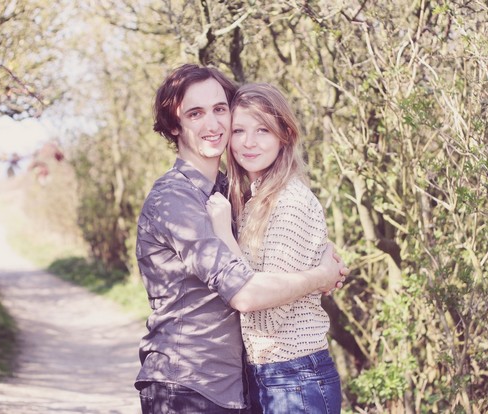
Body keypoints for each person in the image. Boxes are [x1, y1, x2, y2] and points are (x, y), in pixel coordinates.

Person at [135, 64, 347, 413]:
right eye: (195, 113)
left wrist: (319, 255)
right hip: (188, 383)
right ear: (175, 125)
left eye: (220, 109)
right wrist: (319, 277)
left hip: (239, 385)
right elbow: (245, 293)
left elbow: (268, 260)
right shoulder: (175, 200)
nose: (213, 123)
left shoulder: (230, 193)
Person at [205, 83, 343, 413]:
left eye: (262, 130)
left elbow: (265, 317)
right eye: (239, 130)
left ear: (284, 134)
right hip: (274, 378)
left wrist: (223, 234)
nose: (248, 142)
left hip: (296, 379)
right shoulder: (256, 200)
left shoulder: (289, 202)